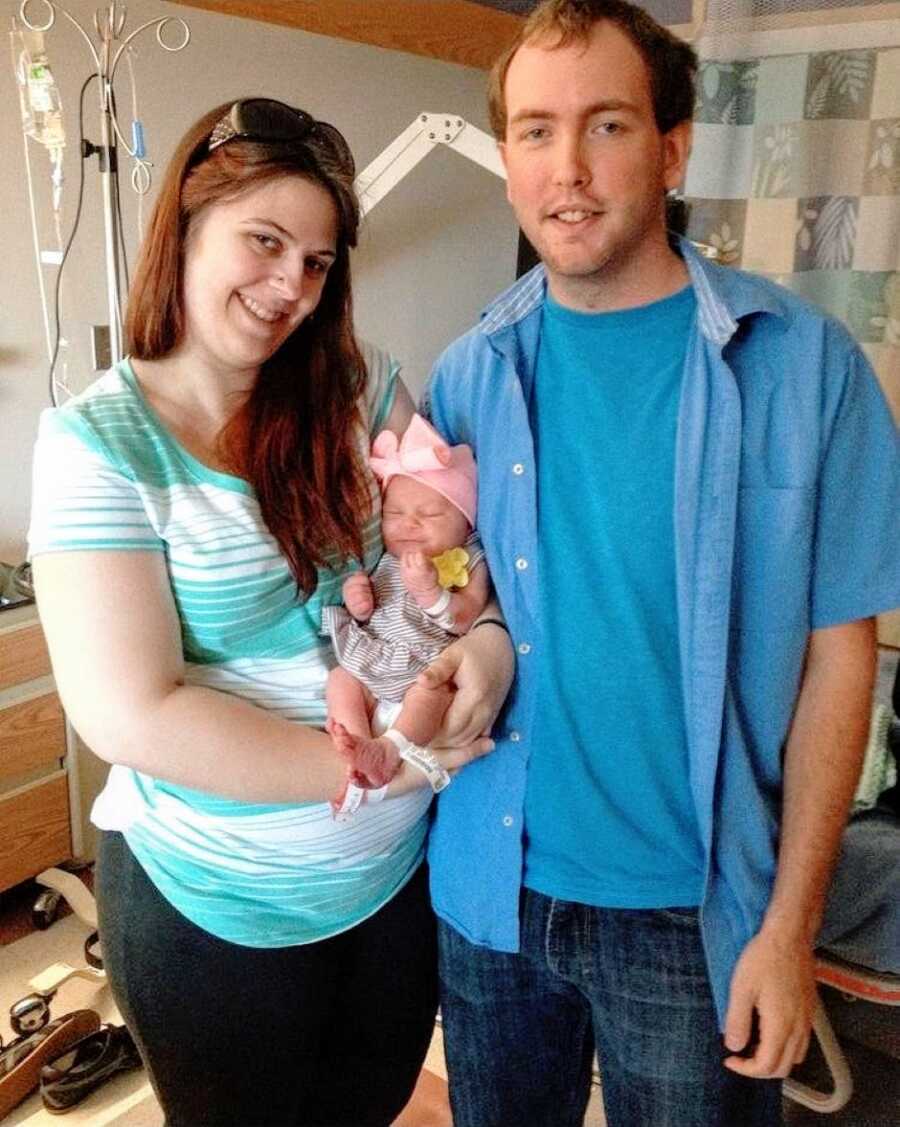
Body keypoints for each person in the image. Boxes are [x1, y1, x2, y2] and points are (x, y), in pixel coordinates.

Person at [418, 3, 900, 1125]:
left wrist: (788, 927)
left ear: (673, 148)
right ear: (506, 163)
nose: (568, 169)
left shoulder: (803, 368)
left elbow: (842, 664)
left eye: (608, 126)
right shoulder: (468, 374)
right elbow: (454, 583)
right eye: (535, 132)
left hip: (695, 918)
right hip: (493, 895)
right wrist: (431, 615)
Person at [28, 97, 509, 1127]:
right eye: (265, 240)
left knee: (373, 1104)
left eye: (319, 260)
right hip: (216, 908)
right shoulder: (97, 444)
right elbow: (132, 713)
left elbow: (447, 539)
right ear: (188, 227)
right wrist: (393, 763)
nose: (291, 284)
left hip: (389, 884)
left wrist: (488, 628)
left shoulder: (359, 385)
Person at [323, 413, 490, 810]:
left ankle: (389, 748)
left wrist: (433, 592)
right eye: (394, 515)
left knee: (432, 692)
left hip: (425, 664)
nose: (409, 525)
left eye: (431, 515)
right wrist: (359, 601)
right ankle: (355, 749)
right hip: (377, 658)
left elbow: (468, 615)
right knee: (340, 679)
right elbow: (372, 614)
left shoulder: (467, 558)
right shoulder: (387, 559)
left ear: (465, 523)